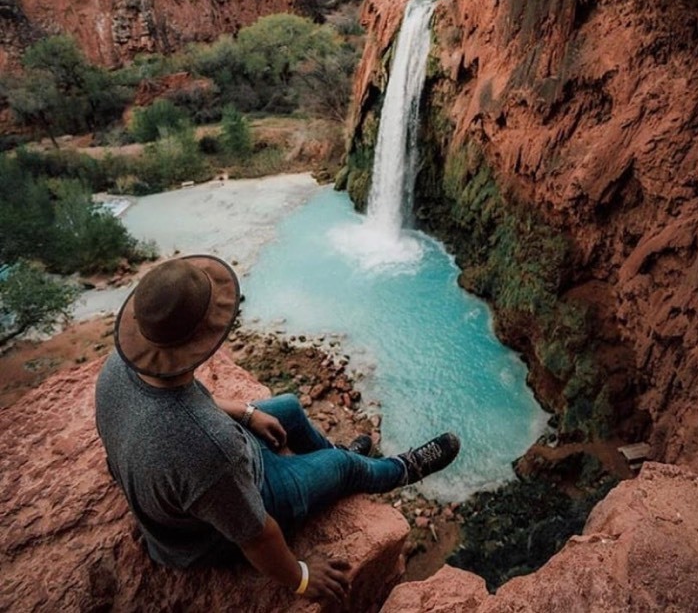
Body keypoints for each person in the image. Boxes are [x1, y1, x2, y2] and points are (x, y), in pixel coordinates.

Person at [95, 255, 460, 605]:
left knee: (288, 408)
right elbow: (256, 535)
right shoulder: (208, 446)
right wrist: (300, 577)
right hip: (216, 526)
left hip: (216, 471)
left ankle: (338, 454)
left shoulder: (122, 367)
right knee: (342, 467)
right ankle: (399, 469)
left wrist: (248, 412)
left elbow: (187, 406)